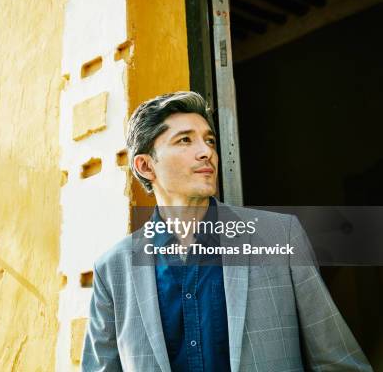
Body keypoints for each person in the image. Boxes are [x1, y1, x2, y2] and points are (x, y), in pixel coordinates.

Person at [81, 91, 371, 371]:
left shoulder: (280, 236)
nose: (206, 152)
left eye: (209, 140)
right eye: (185, 140)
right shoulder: (112, 269)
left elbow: (337, 361)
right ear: (145, 166)